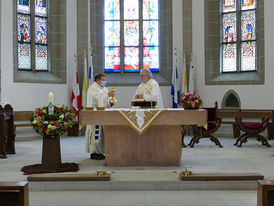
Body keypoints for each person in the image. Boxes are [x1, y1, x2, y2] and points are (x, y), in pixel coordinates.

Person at [85, 73, 115, 160]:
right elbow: (96, 99)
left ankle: (100, 151)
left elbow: (106, 101)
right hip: (95, 112)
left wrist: (111, 102)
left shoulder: (105, 89)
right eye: (103, 80)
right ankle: (94, 152)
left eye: (105, 80)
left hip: (103, 113)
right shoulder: (92, 88)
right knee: (95, 132)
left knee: (102, 133)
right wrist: (107, 95)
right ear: (97, 80)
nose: (104, 82)